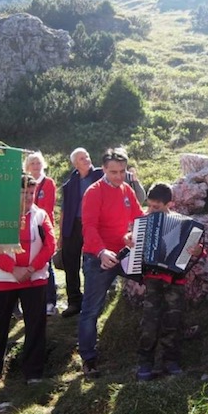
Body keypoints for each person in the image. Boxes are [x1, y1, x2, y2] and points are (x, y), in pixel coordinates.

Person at [0, 175, 56, 386]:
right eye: (23, 193)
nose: (28, 197)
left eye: (31, 193)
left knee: (35, 326)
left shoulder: (41, 215)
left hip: (34, 280)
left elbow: (50, 246)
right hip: (3, 281)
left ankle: (33, 371)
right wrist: (13, 268)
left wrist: (30, 269)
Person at [78, 148, 145, 380]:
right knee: (91, 310)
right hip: (99, 258)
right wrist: (100, 250)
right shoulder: (94, 192)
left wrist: (159, 218)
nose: (118, 176)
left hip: (124, 253)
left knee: (153, 282)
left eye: (122, 171)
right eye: (113, 172)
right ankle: (88, 359)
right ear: (103, 169)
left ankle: (155, 343)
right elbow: (88, 227)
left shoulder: (127, 189)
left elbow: (138, 216)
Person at [134, 183, 205, 381]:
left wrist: (197, 251)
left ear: (169, 204)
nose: (151, 210)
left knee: (174, 320)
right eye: (149, 206)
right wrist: (130, 239)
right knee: (150, 321)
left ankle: (170, 360)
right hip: (152, 279)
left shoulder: (183, 223)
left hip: (175, 280)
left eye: (156, 207)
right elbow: (132, 240)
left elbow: (197, 249)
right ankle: (145, 361)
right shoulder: (144, 222)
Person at [58, 148, 103, 318]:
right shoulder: (70, 183)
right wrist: (61, 235)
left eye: (87, 157)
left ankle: (94, 300)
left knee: (94, 262)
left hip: (94, 224)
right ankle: (74, 301)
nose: (86, 160)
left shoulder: (100, 175)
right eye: (82, 159)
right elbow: (63, 210)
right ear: (75, 164)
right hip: (73, 226)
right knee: (71, 264)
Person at [24, 151, 59, 316]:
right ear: (27, 167)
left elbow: (47, 207)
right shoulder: (23, 183)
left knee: (46, 264)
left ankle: (50, 300)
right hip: (24, 227)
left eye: (38, 163)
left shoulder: (48, 183)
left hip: (42, 227)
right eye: (33, 163)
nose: (36, 166)